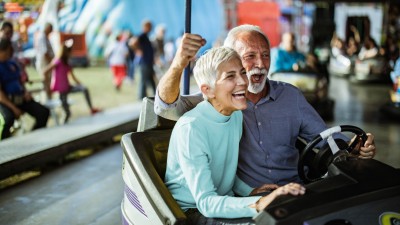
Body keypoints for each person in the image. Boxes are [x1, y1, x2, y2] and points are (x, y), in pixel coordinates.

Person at [154, 24, 377, 188]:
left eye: (265, 56)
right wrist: (178, 63)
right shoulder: (218, 101)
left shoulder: (291, 96)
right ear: (232, 60)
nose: (260, 64)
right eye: (250, 56)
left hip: (299, 189)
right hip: (251, 196)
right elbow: (165, 107)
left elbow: (326, 138)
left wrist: (353, 149)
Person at [165, 46, 306, 224]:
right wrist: (260, 202)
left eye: (242, 73)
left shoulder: (235, 114)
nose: (242, 82)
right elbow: (206, 202)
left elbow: (224, 170)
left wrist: (249, 192)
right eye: (230, 76)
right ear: (208, 90)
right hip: (192, 212)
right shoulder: (191, 128)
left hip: (223, 200)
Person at [0, 38, 49, 139]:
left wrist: (26, 92)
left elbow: (19, 82)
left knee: (43, 112)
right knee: (9, 118)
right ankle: (3, 145)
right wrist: (14, 109)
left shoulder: (12, 64)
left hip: (21, 98)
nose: (11, 52)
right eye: (9, 50)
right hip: (5, 101)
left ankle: (32, 139)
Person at [43, 40, 100, 123]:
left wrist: (80, 84)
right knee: (67, 112)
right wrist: (47, 86)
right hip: (61, 90)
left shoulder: (67, 63)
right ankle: (63, 125)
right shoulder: (57, 61)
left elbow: (72, 76)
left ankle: (91, 109)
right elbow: (45, 71)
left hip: (67, 87)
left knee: (84, 89)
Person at [35, 22, 54, 101]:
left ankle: (47, 98)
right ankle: (46, 99)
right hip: (44, 63)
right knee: (46, 82)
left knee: (47, 82)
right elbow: (45, 52)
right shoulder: (42, 37)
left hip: (46, 63)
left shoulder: (44, 37)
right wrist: (52, 63)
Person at [137, 20, 156, 99]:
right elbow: (132, 42)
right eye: (149, 26)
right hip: (144, 62)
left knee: (151, 79)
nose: (151, 28)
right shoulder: (141, 36)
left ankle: (155, 93)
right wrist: (137, 50)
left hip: (149, 62)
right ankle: (141, 96)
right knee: (144, 80)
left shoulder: (147, 36)